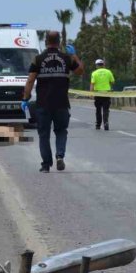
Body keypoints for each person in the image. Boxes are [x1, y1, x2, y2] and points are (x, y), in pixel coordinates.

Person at [22, 31, 84, 172]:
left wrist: (25, 99)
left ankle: (45, 165)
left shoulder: (38, 59)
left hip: (43, 104)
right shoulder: (66, 58)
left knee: (44, 135)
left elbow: (30, 80)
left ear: (46, 41)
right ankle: (60, 156)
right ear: (59, 41)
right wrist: (74, 54)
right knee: (61, 131)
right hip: (61, 103)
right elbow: (80, 71)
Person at [90, 58, 115, 130]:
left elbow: (92, 84)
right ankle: (106, 123)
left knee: (98, 109)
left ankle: (98, 124)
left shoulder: (94, 73)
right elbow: (113, 82)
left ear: (96, 65)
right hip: (106, 93)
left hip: (97, 93)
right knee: (106, 109)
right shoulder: (108, 72)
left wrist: (91, 93)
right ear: (103, 65)